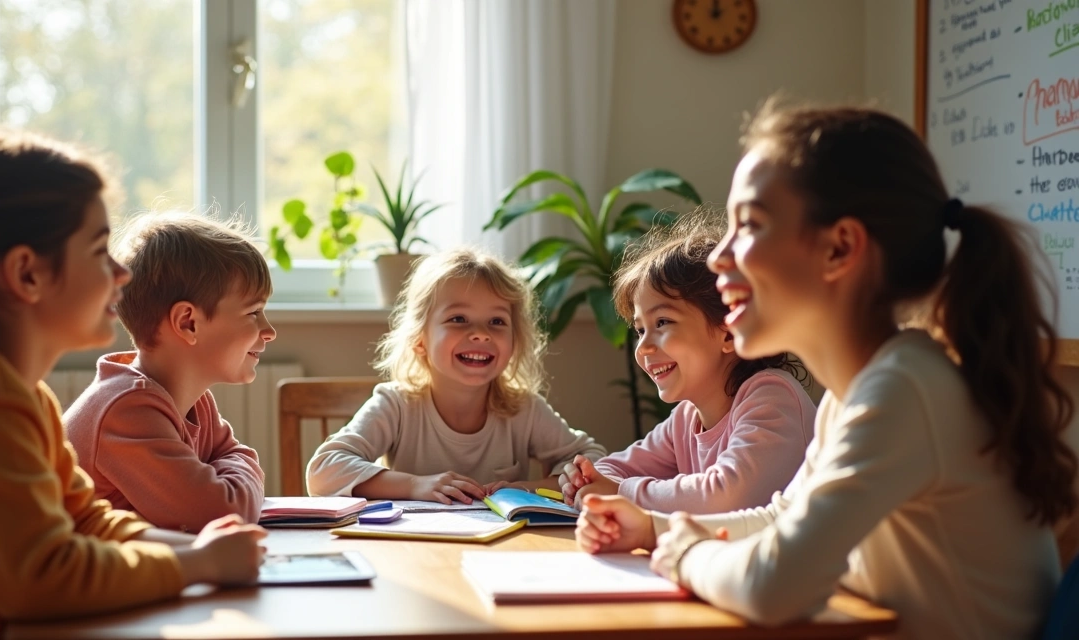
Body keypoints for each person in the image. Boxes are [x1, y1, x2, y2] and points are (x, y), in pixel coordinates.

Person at [577, 102, 1078, 639]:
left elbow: (775, 585)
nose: (721, 256)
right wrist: (655, 528)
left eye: (749, 225)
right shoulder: (861, 390)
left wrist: (686, 555)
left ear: (840, 248)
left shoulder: (904, 389)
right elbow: (783, 519)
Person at [0, 126, 265, 639]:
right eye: (100, 251)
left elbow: (85, 521)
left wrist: (201, 548)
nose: (121, 273)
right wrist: (199, 566)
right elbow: (40, 579)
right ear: (27, 274)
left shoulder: (16, 390)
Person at [559, 213, 814, 513]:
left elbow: (727, 495)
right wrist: (585, 480)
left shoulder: (772, 397)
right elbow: (612, 470)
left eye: (663, 321)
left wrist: (621, 492)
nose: (643, 346)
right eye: (641, 330)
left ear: (729, 333)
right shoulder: (686, 419)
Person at [307, 248, 606, 503]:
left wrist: (526, 490)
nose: (480, 334)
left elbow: (594, 462)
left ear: (515, 342)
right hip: (415, 553)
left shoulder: (524, 409)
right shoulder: (396, 405)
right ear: (420, 339)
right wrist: (415, 485)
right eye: (458, 319)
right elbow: (323, 470)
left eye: (497, 321)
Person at [65, 212, 272, 532]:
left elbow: (232, 457)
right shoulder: (127, 410)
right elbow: (224, 514)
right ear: (188, 323)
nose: (269, 331)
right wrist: (237, 472)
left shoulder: (195, 402)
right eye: (254, 312)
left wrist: (229, 471)